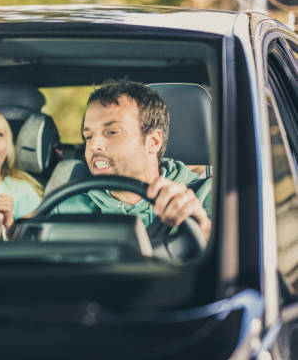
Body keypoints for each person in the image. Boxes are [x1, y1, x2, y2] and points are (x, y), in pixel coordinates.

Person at [52, 79, 212, 241]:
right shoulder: (66, 210)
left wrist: (204, 230)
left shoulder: (207, 197)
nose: (94, 145)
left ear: (153, 141)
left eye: (112, 132)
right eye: (89, 136)